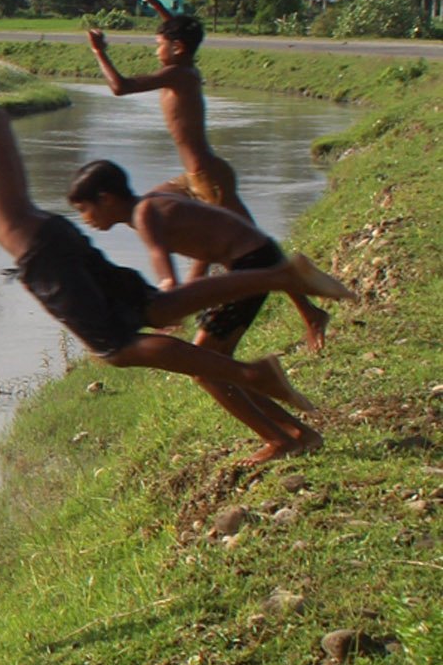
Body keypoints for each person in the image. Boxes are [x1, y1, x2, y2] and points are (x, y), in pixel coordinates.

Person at [0, 0, 353, 412]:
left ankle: (251, 374)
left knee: (119, 349)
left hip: (42, 253)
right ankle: (282, 274)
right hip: (51, 242)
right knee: (154, 309)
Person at [85, 0, 331, 351]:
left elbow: (120, 87)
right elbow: (182, 33)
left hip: (209, 179)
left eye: (160, 44)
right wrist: (155, 3)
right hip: (193, 176)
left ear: (177, 48)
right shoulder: (186, 65)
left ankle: (309, 311)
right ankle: (184, 295)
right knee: (148, 207)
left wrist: (100, 51)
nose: (157, 51)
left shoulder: (178, 74)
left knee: (258, 252)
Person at [67, 159, 323, 461]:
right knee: (215, 363)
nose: (85, 219)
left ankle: (286, 438)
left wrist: (166, 306)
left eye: (84, 209)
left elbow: (166, 276)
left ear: (106, 199)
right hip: (253, 261)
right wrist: (191, 294)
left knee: (206, 369)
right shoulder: (153, 201)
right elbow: (202, 242)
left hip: (249, 266)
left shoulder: (144, 215)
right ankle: (295, 434)